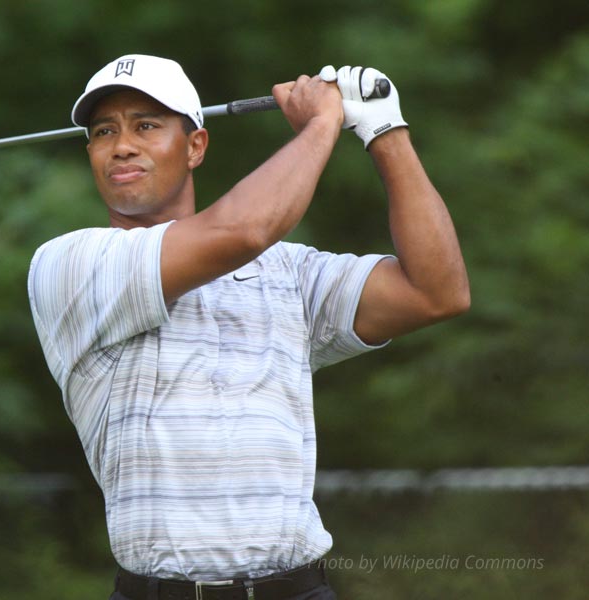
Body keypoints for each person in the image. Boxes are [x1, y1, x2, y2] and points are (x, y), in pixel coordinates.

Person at [27, 54, 469, 599]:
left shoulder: (287, 271)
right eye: (103, 132)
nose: (121, 146)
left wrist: (385, 130)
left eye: (145, 126)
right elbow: (241, 231)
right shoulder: (70, 264)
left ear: (195, 146)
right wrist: (323, 123)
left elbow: (436, 291)